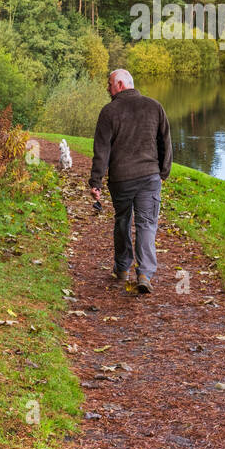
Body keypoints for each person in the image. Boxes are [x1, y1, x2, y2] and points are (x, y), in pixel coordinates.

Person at [89, 68, 172, 293]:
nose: (107, 88)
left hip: (121, 179)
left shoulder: (109, 112)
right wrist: (163, 172)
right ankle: (144, 274)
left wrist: (96, 181)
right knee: (146, 224)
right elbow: (165, 141)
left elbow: (102, 151)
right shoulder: (154, 107)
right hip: (149, 177)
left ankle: (123, 269)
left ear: (121, 85)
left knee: (123, 221)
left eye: (109, 84)